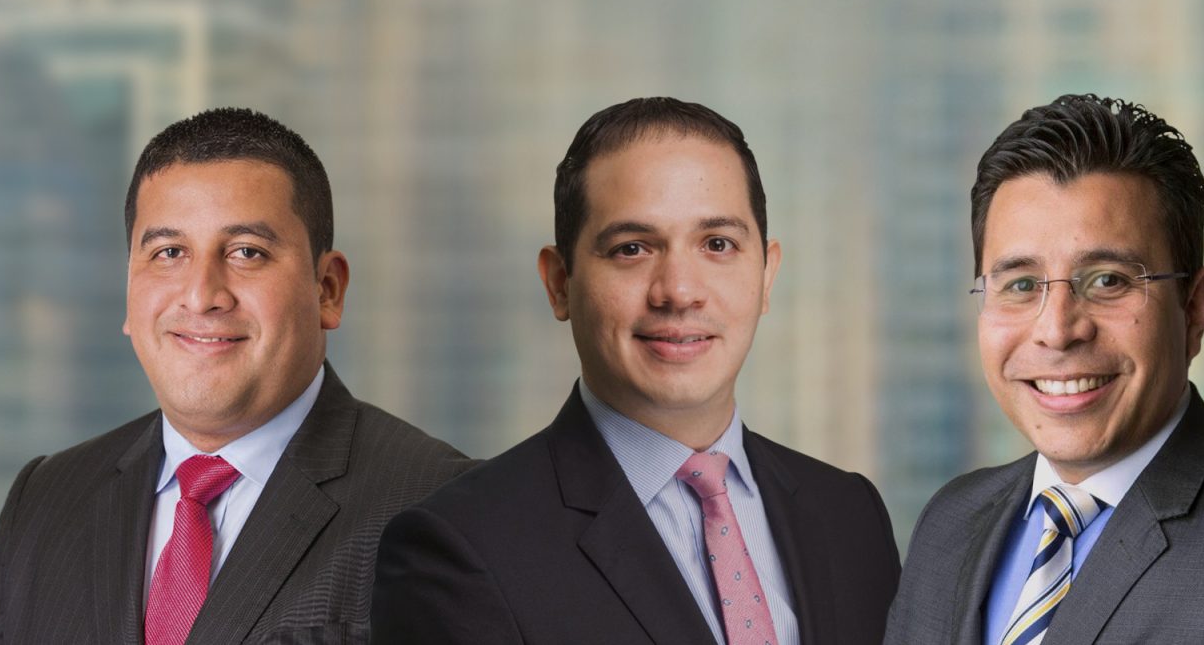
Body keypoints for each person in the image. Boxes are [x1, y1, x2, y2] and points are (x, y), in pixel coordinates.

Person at [372, 97, 901, 644]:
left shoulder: (848, 514)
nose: (679, 291)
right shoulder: (460, 548)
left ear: (766, 275)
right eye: (632, 249)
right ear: (559, 283)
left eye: (717, 244)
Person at [0, 108, 472, 644]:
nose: (202, 295)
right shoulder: (44, 501)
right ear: (129, 289)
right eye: (169, 252)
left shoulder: (441, 508)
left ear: (327, 290)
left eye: (247, 252)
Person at [885, 94, 1204, 644]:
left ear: (1193, 309)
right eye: (1021, 285)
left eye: (1108, 281)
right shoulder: (951, 521)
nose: (1058, 329)